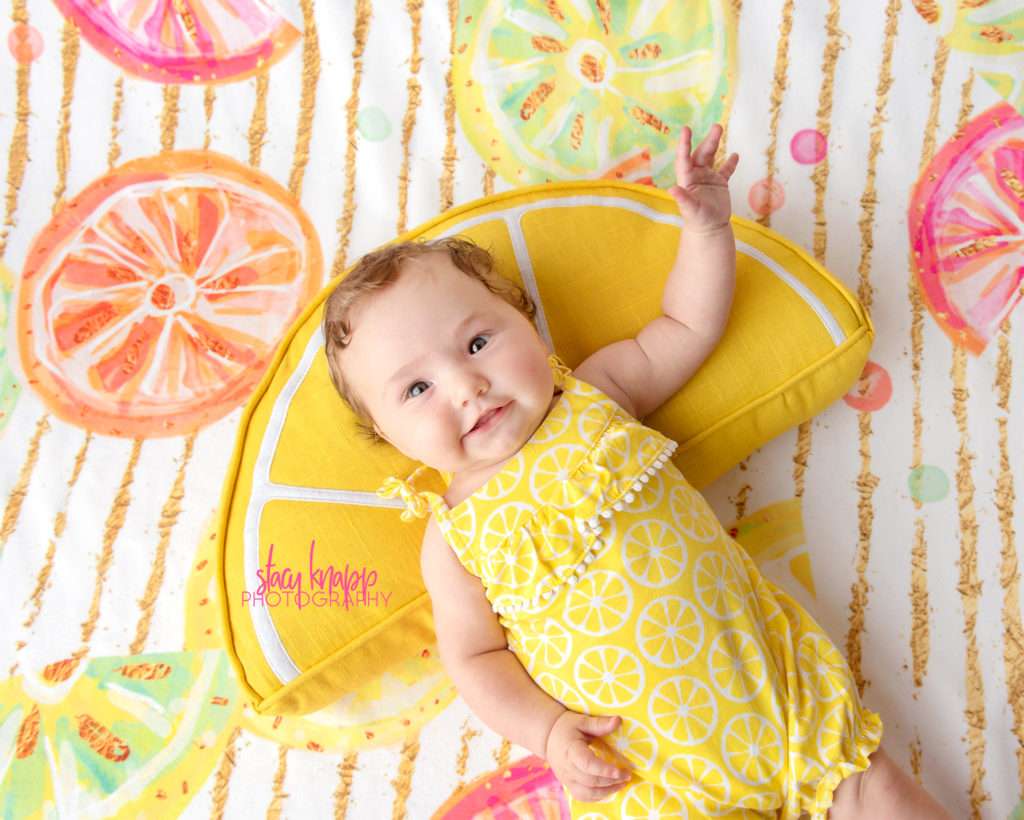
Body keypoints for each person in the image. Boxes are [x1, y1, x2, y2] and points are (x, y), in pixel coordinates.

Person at [322, 124, 950, 818]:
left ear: (528, 327)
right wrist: (550, 730)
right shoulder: (454, 540)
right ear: (388, 436)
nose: (466, 386)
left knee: (879, 793)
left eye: (477, 341)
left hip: (783, 706)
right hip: (655, 778)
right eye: (417, 390)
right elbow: (474, 662)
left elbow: (686, 324)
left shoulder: (595, 397)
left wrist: (707, 231)